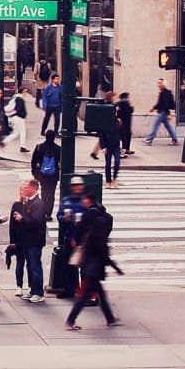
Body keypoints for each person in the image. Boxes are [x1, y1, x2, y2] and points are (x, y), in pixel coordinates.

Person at [64, 191, 122, 331]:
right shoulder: (100, 230)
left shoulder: (90, 227)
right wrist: (114, 266)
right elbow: (102, 250)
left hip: (90, 264)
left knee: (100, 293)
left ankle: (110, 318)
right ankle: (70, 321)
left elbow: (80, 235)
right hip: (94, 267)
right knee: (85, 295)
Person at [13, 179, 46, 302]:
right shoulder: (29, 202)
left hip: (35, 241)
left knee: (35, 266)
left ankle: (39, 293)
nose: (24, 189)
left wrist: (22, 218)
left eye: (26, 187)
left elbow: (36, 222)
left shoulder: (38, 204)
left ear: (34, 189)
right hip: (27, 241)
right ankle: (33, 290)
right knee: (31, 266)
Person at [57, 177, 88, 299]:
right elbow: (59, 215)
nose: (77, 187)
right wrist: (63, 219)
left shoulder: (85, 201)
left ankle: (84, 291)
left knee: (84, 267)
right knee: (68, 265)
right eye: (75, 185)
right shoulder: (66, 200)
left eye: (79, 185)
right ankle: (69, 289)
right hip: (69, 237)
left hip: (82, 238)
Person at [31, 130, 61, 221]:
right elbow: (61, 162)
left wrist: (34, 173)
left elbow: (33, 161)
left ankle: (43, 212)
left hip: (43, 175)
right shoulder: (58, 148)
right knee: (51, 194)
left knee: (44, 193)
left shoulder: (39, 147)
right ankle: (48, 213)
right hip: (53, 175)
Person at [7, 183, 29, 299]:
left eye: (25, 189)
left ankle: (30, 286)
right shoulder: (16, 205)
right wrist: (12, 241)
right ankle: (19, 286)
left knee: (31, 264)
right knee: (20, 263)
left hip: (30, 239)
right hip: (19, 239)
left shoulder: (33, 204)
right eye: (22, 190)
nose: (23, 192)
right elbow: (12, 224)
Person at [143, 78, 179, 145]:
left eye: (160, 83)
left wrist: (168, 113)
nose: (158, 84)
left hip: (163, 112)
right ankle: (175, 139)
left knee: (156, 125)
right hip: (163, 112)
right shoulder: (162, 93)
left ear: (163, 84)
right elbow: (160, 103)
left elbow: (166, 104)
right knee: (168, 126)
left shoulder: (165, 93)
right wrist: (153, 108)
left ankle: (149, 140)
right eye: (158, 83)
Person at [2, 86, 30, 153]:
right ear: (22, 92)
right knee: (23, 132)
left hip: (16, 118)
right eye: (25, 92)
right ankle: (22, 147)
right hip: (19, 118)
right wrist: (17, 114)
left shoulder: (15, 97)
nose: (26, 93)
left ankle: (4, 142)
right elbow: (18, 109)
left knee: (16, 132)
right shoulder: (20, 99)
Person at [116, 92, 135, 156]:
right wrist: (131, 106)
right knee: (126, 136)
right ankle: (125, 150)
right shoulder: (126, 102)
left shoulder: (118, 103)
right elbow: (131, 110)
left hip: (121, 122)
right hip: (126, 122)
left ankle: (124, 150)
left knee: (123, 137)